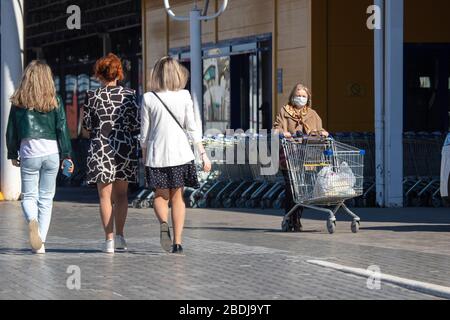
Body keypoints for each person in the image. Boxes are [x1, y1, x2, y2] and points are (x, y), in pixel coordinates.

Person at [140, 56, 211, 254]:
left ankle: (164, 223)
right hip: (181, 153)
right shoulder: (184, 96)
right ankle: (178, 242)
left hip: (157, 154)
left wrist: (144, 155)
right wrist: (203, 154)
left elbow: (144, 132)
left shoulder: (148, 98)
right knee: (178, 197)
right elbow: (192, 127)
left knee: (160, 196)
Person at [6, 60, 74, 254]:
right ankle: (41, 242)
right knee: (46, 198)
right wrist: (67, 155)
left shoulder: (18, 102)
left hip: (29, 153)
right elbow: (62, 128)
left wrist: (12, 153)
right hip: (51, 153)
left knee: (28, 196)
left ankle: (32, 221)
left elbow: (11, 131)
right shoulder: (55, 100)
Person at [82, 53, 140, 254]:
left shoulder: (92, 96)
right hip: (124, 147)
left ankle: (108, 241)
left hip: (101, 147)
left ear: (99, 74)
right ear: (119, 73)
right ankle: (121, 237)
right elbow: (136, 124)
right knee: (122, 195)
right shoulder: (130, 95)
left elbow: (87, 126)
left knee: (104, 196)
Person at [273, 83, 328, 231]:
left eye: (304, 96)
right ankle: (290, 217)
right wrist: (281, 132)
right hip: (290, 155)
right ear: (292, 96)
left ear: (308, 98)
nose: (301, 98)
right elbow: (276, 127)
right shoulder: (284, 111)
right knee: (291, 188)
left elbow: (320, 129)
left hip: (307, 156)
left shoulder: (312, 114)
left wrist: (323, 133)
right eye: (298, 95)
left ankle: (297, 218)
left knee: (303, 189)